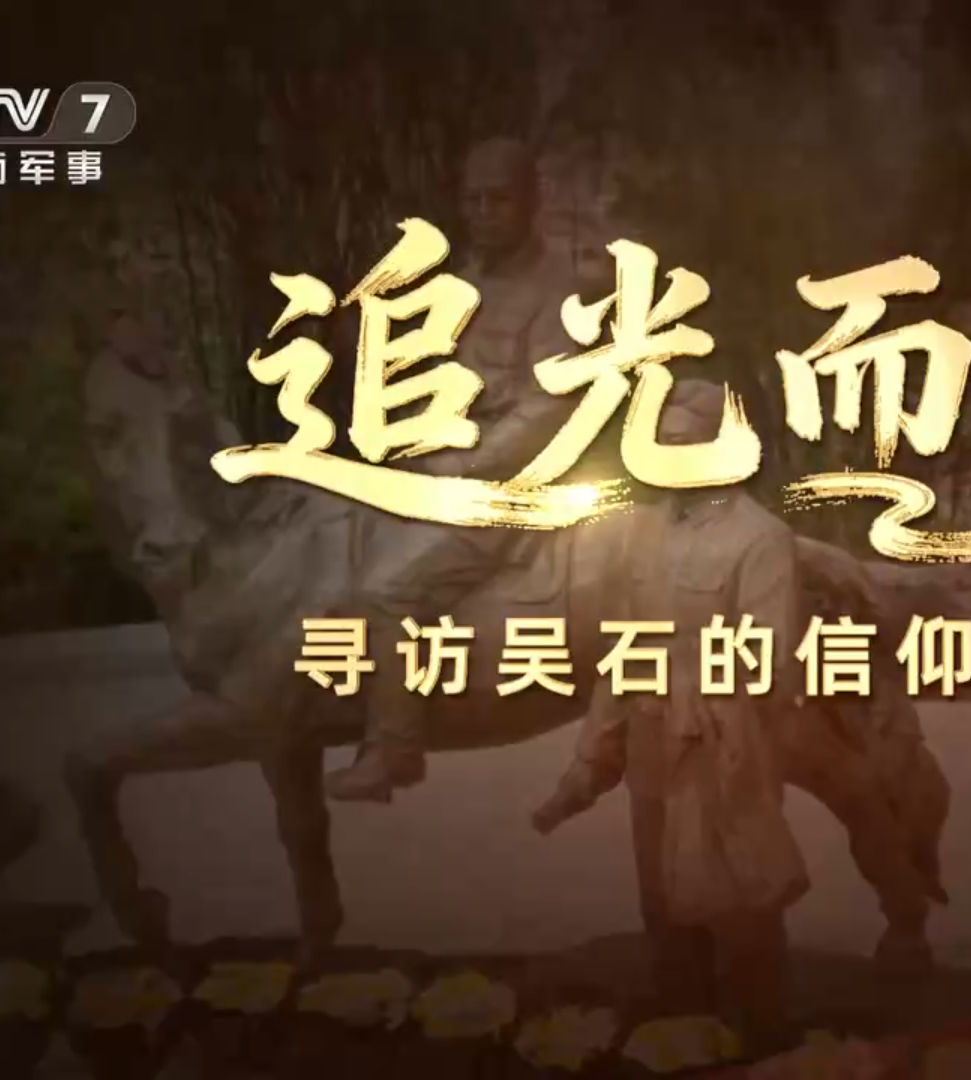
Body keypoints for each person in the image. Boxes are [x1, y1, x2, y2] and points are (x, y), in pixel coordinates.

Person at [530, 380, 808, 1047]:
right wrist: (590, 763)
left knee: (739, 903)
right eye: (666, 443)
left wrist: (685, 685)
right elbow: (626, 653)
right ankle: (681, 1035)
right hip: (652, 751)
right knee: (663, 903)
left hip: (724, 750)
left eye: (688, 442)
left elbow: (768, 660)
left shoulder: (760, 539)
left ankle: (758, 1038)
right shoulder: (643, 535)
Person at [326, 136, 586, 802]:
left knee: (388, 590)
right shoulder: (464, 282)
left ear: (531, 201)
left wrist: (467, 466)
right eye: (473, 200)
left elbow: (548, 405)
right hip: (442, 463)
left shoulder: (559, 291)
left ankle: (393, 750)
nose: (483, 212)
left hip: (509, 486)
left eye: (499, 199)